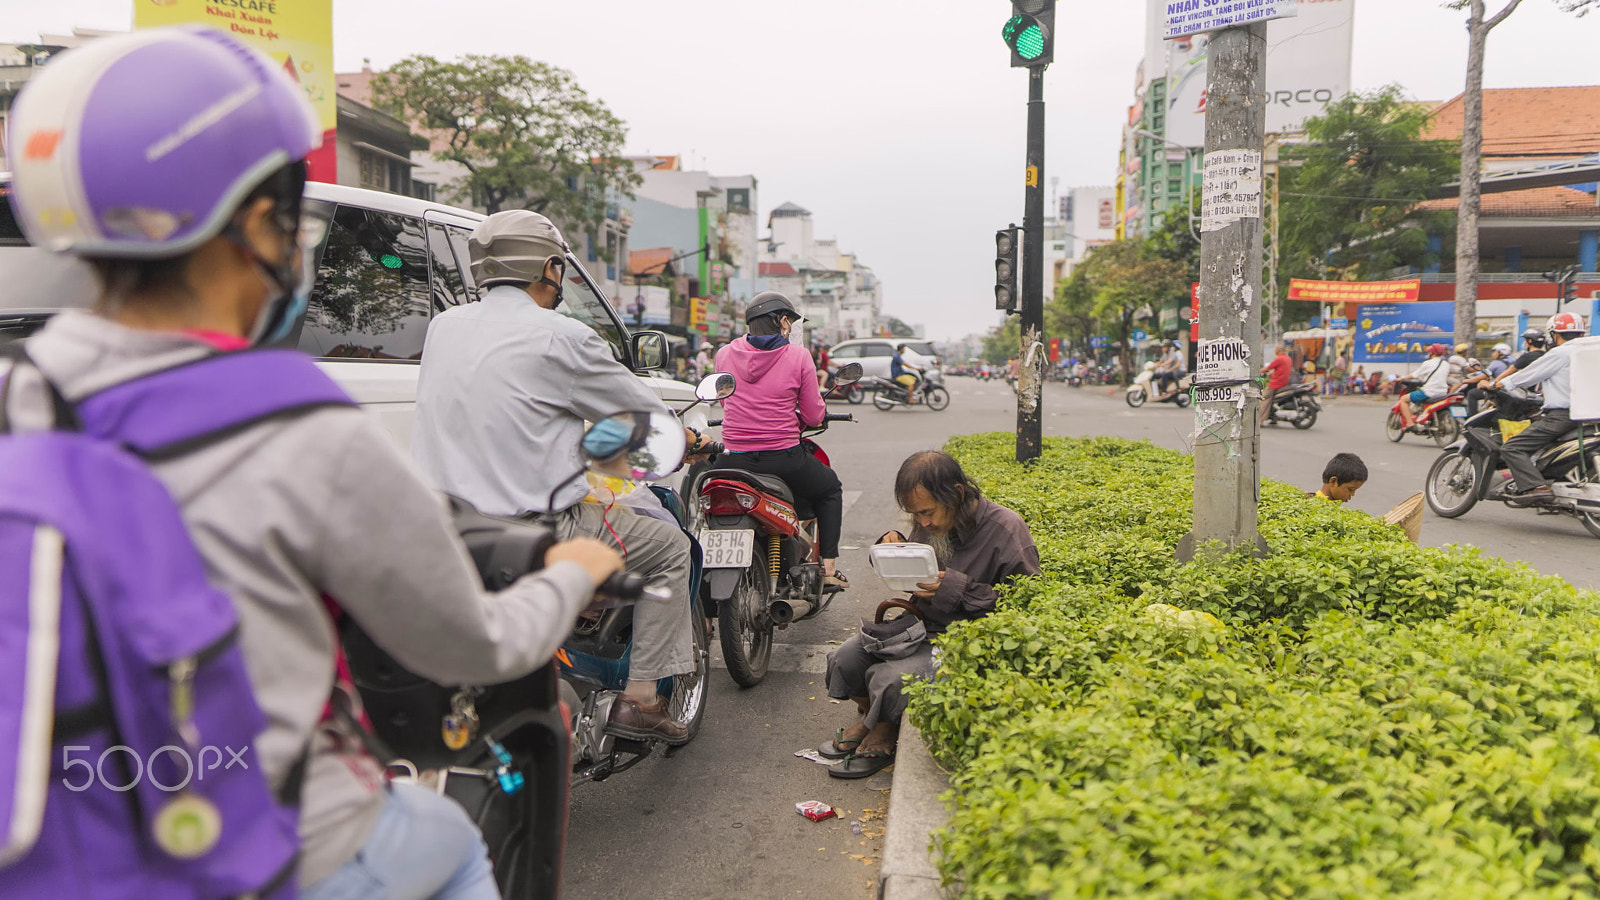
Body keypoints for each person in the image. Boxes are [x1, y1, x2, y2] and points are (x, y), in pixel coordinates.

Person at [2, 27, 624, 899]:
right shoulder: (297, 422)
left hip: (57, 844)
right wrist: (571, 576)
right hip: (277, 849)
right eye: (296, 214)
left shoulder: (14, 399)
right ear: (259, 222)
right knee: (445, 840)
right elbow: (474, 645)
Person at [412, 209, 699, 747]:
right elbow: (649, 426)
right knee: (669, 547)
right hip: (533, 532)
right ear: (550, 268)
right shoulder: (560, 335)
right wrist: (685, 443)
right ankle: (640, 701)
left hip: (442, 531)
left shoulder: (443, 328)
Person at [821, 451, 1039, 779]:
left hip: (965, 640)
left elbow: (1029, 602)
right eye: (914, 514)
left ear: (958, 495)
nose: (922, 523)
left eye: (927, 512)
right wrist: (890, 548)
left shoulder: (1006, 529)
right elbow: (911, 572)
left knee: (889, 680)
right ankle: (872, 716)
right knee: (844, 659)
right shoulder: (930, 523)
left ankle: (883, 729)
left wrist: (956, 588)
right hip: (918, 628)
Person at [715, 292, 848, 589]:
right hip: (784, 458)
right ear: (783, 322)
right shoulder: (798, 356)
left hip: (732, 459)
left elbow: (727, 404)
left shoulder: (723, 354)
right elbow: (814, 415)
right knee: (830, 489)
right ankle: (828, 568)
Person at [1499, 312, 1590, 507]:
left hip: (1563, 416)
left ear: (1555, 335)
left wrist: (1500, 384)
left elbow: (1528, 375)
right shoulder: (1590, 352)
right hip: (1591, 416)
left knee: (1512, 447)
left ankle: (1537, 487)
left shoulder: (1560, 353)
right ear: (1581, 334)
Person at [1398, 344, 1452, 430]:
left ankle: (1410, 423)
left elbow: (1414, 375)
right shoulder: (1446, 364)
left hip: (1429, 392)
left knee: (1403, 399)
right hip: (1443, 392)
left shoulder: (1428, 363)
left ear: (1432, 353)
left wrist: (1400, 378)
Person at [1261, 344, 1293, 425]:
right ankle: (1273, 417)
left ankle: (1260, 420)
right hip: (1284, 383)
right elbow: (1280, 370)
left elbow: (1267, 368)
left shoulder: (1279, 359)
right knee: (1272, 400)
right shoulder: (1287, 358)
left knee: (1264, 399)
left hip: (1275, 384)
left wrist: (1257, 371)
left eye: (1275, 349)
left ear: (1278, 350)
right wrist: (1270, 374)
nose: (1274, 351)